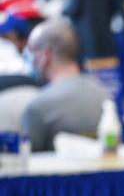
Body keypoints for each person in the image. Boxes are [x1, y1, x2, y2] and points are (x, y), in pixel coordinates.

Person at [21, 18, 109, 151]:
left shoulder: (38, 108)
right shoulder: (103, 95)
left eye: (32, 52)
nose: (30, 60)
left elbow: (26, 165)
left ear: (45, 56)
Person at [63, 0, 124, 76]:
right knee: (107, 86)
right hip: (106, 44)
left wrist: (59, 9)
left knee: (85, 87)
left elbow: (74, 8)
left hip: (83, 46)